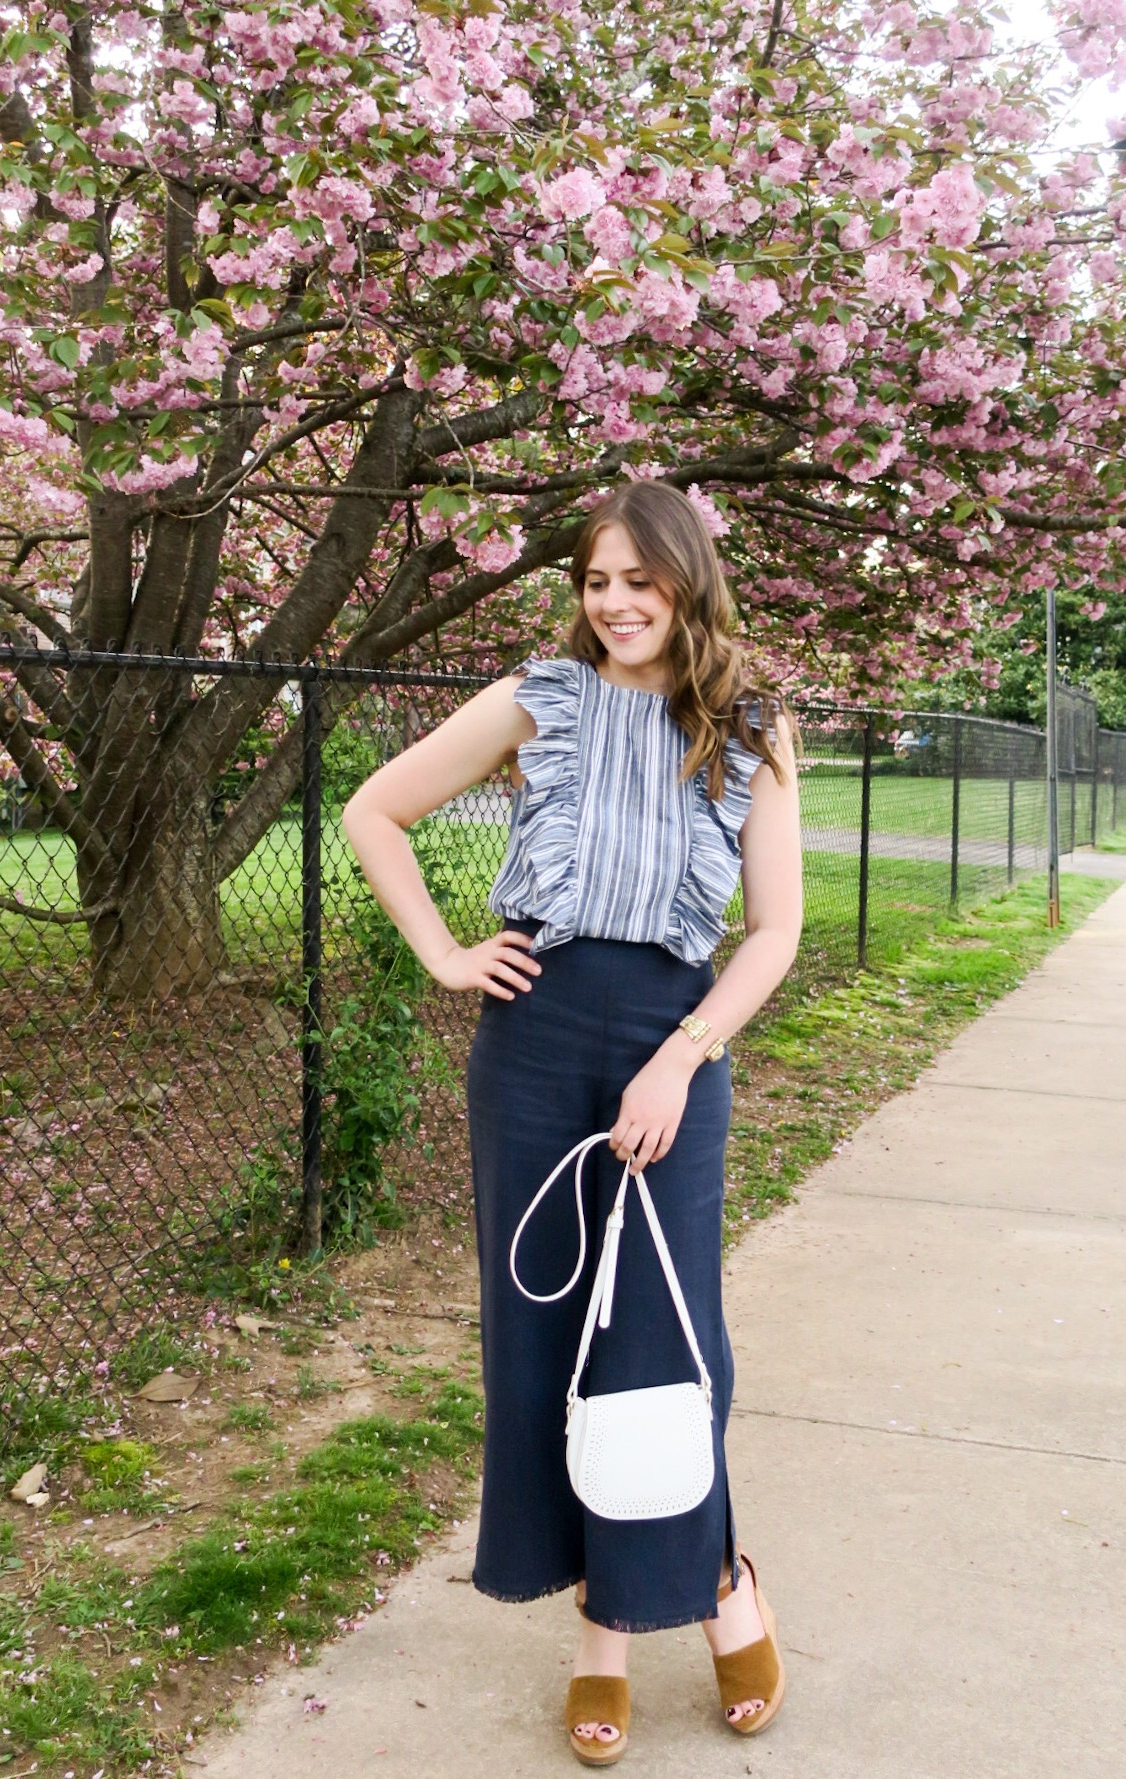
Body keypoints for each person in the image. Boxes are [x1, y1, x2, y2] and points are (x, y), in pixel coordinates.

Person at [342, 479, 803, 1765]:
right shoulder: (534, 698)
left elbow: (773, 933)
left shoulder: (748, 724)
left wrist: (679, 1059)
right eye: (596, 581)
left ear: (686, 583)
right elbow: (372, 809)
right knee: (543, 1332)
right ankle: (601, 1637)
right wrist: (442, 952)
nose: (615, 604)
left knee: (666, 1339)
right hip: (533, 1043)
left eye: (638, 582)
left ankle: (716, 1591)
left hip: (673, 1044)